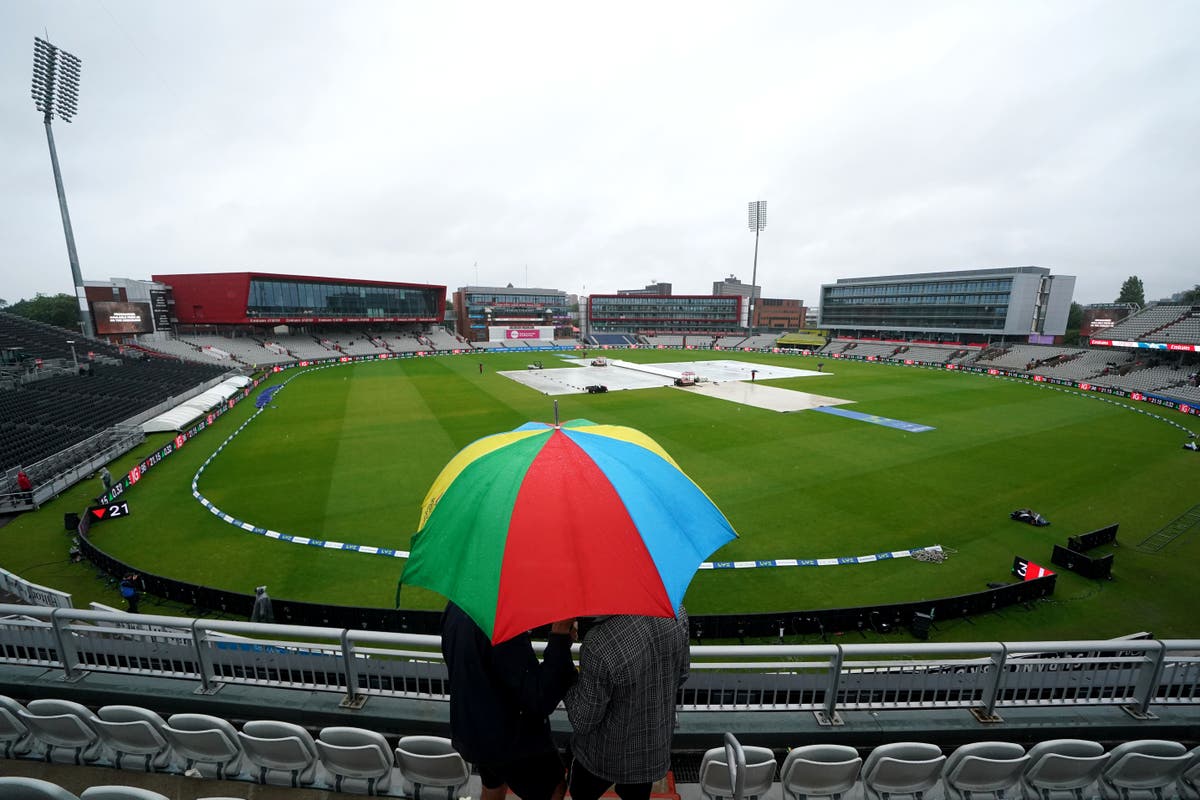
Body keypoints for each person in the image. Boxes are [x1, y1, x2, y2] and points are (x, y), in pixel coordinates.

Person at [441, 602, 577, 800]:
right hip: (507, 740)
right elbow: (540, 698)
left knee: (493, 784)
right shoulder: (500, 620)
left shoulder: (456, 606)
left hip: (472, 731)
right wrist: (560, 636)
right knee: (553, 788)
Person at [564, 607, 691, 800]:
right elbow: (682, 674)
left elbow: (583, 720)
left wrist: (563, 662)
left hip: (602, 755)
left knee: (581, 793)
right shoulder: (676, 612)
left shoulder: (599, 642)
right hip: (651, 749)